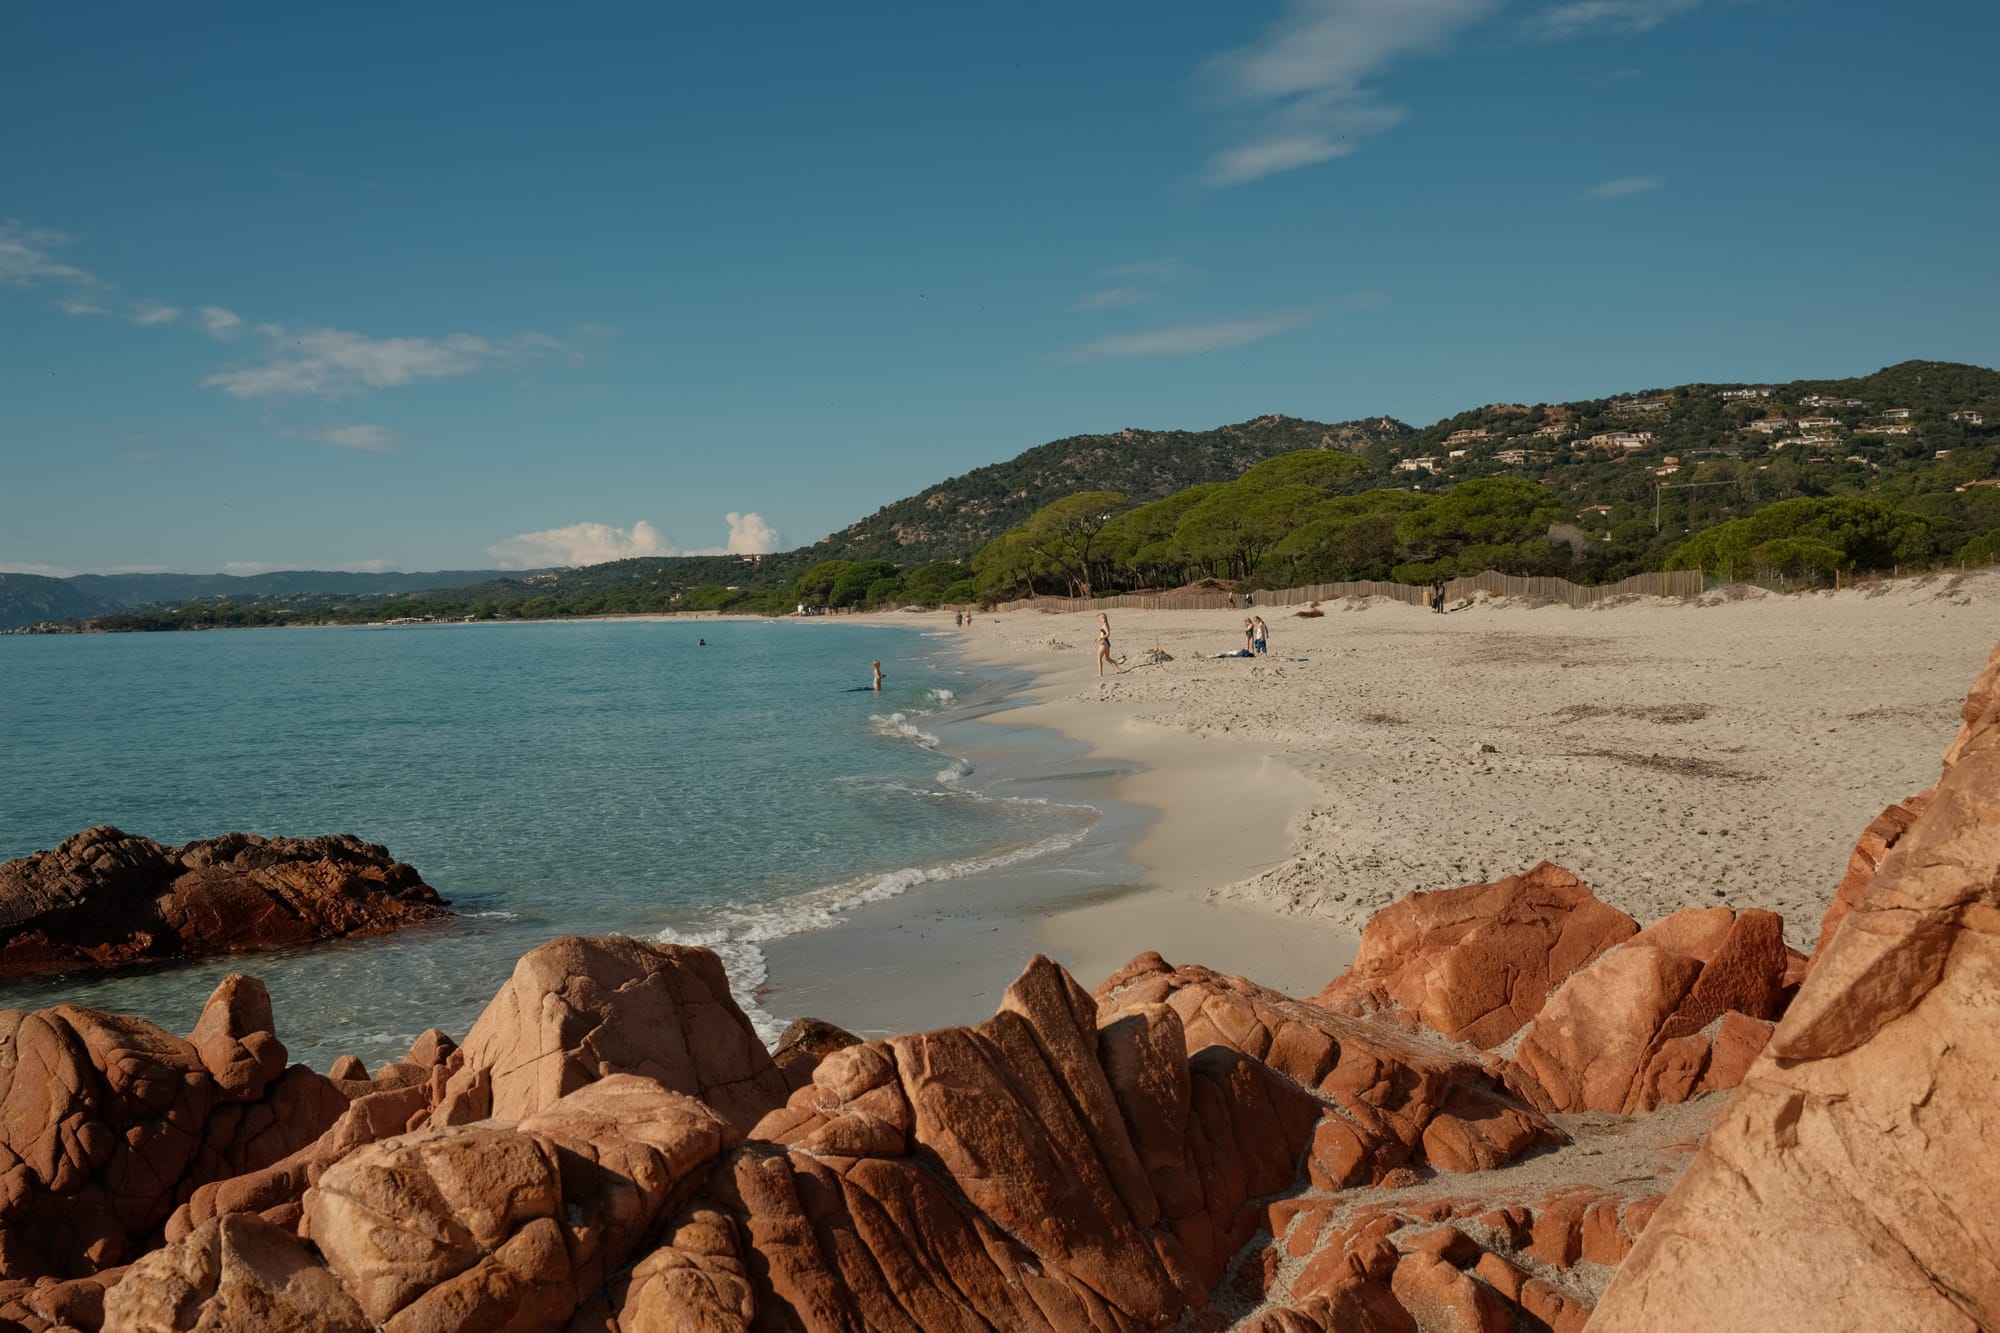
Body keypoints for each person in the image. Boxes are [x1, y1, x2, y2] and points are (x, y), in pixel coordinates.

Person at [1096, 613, 1120, 677]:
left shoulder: (1105, 625)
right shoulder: (1105, 624)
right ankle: (1117, 669)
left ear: (1103, 618)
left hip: (1104, 643)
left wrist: (1101, 638)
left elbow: (1108, 634)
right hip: (1106, 643)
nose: (1099, 619)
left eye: (1099, 618)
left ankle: (1100, 673)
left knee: (1099, 658)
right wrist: (1099, 638)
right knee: (1107, 658)